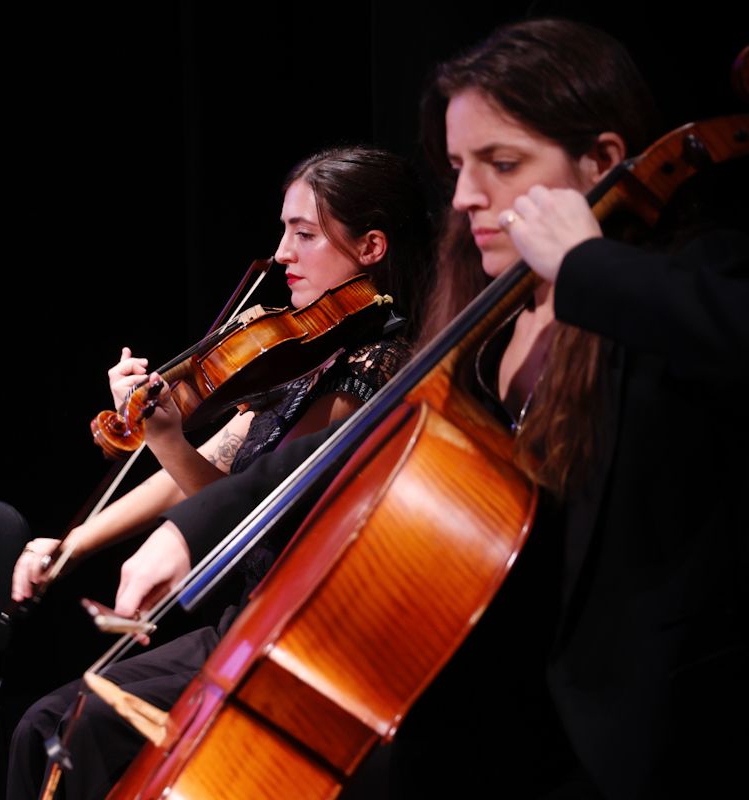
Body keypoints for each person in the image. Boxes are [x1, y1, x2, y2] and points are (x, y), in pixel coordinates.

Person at [101, 17, 749, 799]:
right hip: (481, 704)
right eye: (458, 167)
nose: (470, 196)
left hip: (627, 737)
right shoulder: (489, 314)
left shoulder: (683, 280)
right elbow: (359, 438)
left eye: (502, 164)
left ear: (603, 161)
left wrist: (589, 265)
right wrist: (194, 526)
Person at [7, 146, 434, 800]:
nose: (281, 253)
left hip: (289, 636)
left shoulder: (377, 366)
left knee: (82, 729)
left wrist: (167, 440)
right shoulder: (304, 350)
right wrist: (73, 546)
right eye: (284, 229)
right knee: (43, 725)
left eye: (305, 233)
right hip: (243, 619)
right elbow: (218, 464)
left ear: (372, 246)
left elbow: (259, 512)